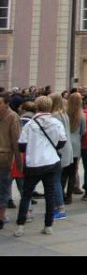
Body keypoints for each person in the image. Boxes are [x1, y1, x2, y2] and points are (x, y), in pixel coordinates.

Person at [13, 95, 65, 237]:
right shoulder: (56, 123)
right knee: (49, 194)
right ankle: (48, 225)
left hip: (34, 163)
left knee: (26, 195)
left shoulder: (30, 124)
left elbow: (22, 145)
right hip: (51, 162)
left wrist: (34, 148)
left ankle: (20, 225)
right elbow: (62, 142)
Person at [0, 92, 21, 231]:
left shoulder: (12, 117)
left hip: (4, 158)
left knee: (3, 188)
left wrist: (19, 162)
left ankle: (1, 216)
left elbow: (16, 140)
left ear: (7, 103)